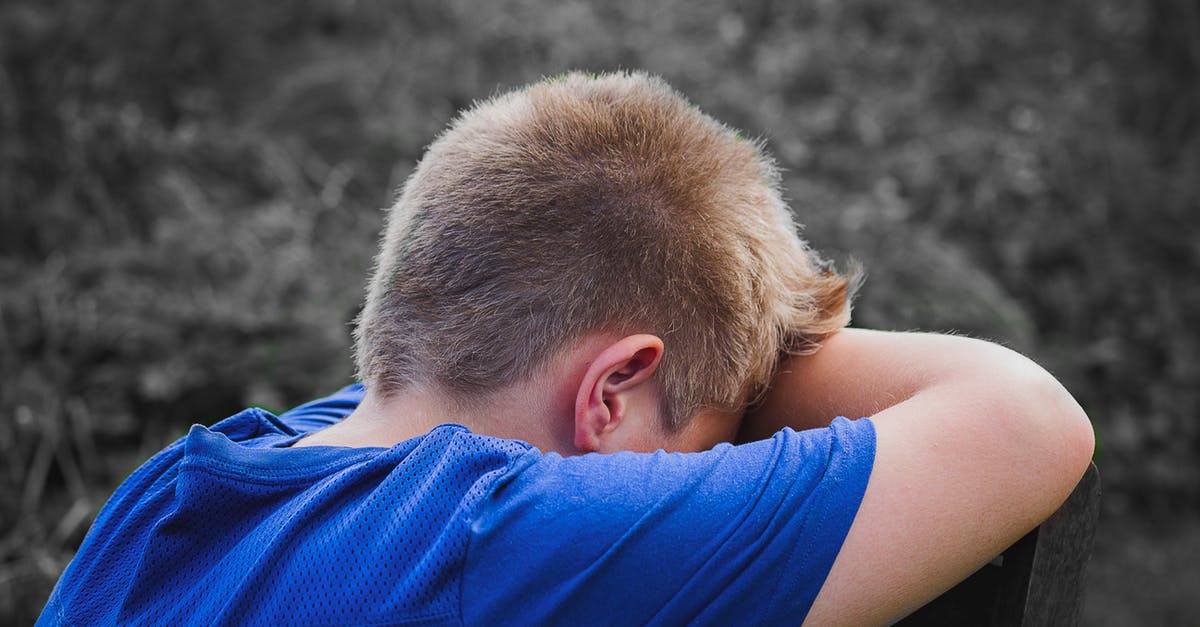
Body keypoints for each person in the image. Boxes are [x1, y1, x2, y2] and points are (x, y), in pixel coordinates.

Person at [38, 72, 1094, 625]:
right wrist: (761, 356)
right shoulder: (498, 539)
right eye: (710, 451)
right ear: (610, 395)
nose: (698, 482)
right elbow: (1027, 421)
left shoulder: (174, 492)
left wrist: (719, 354)